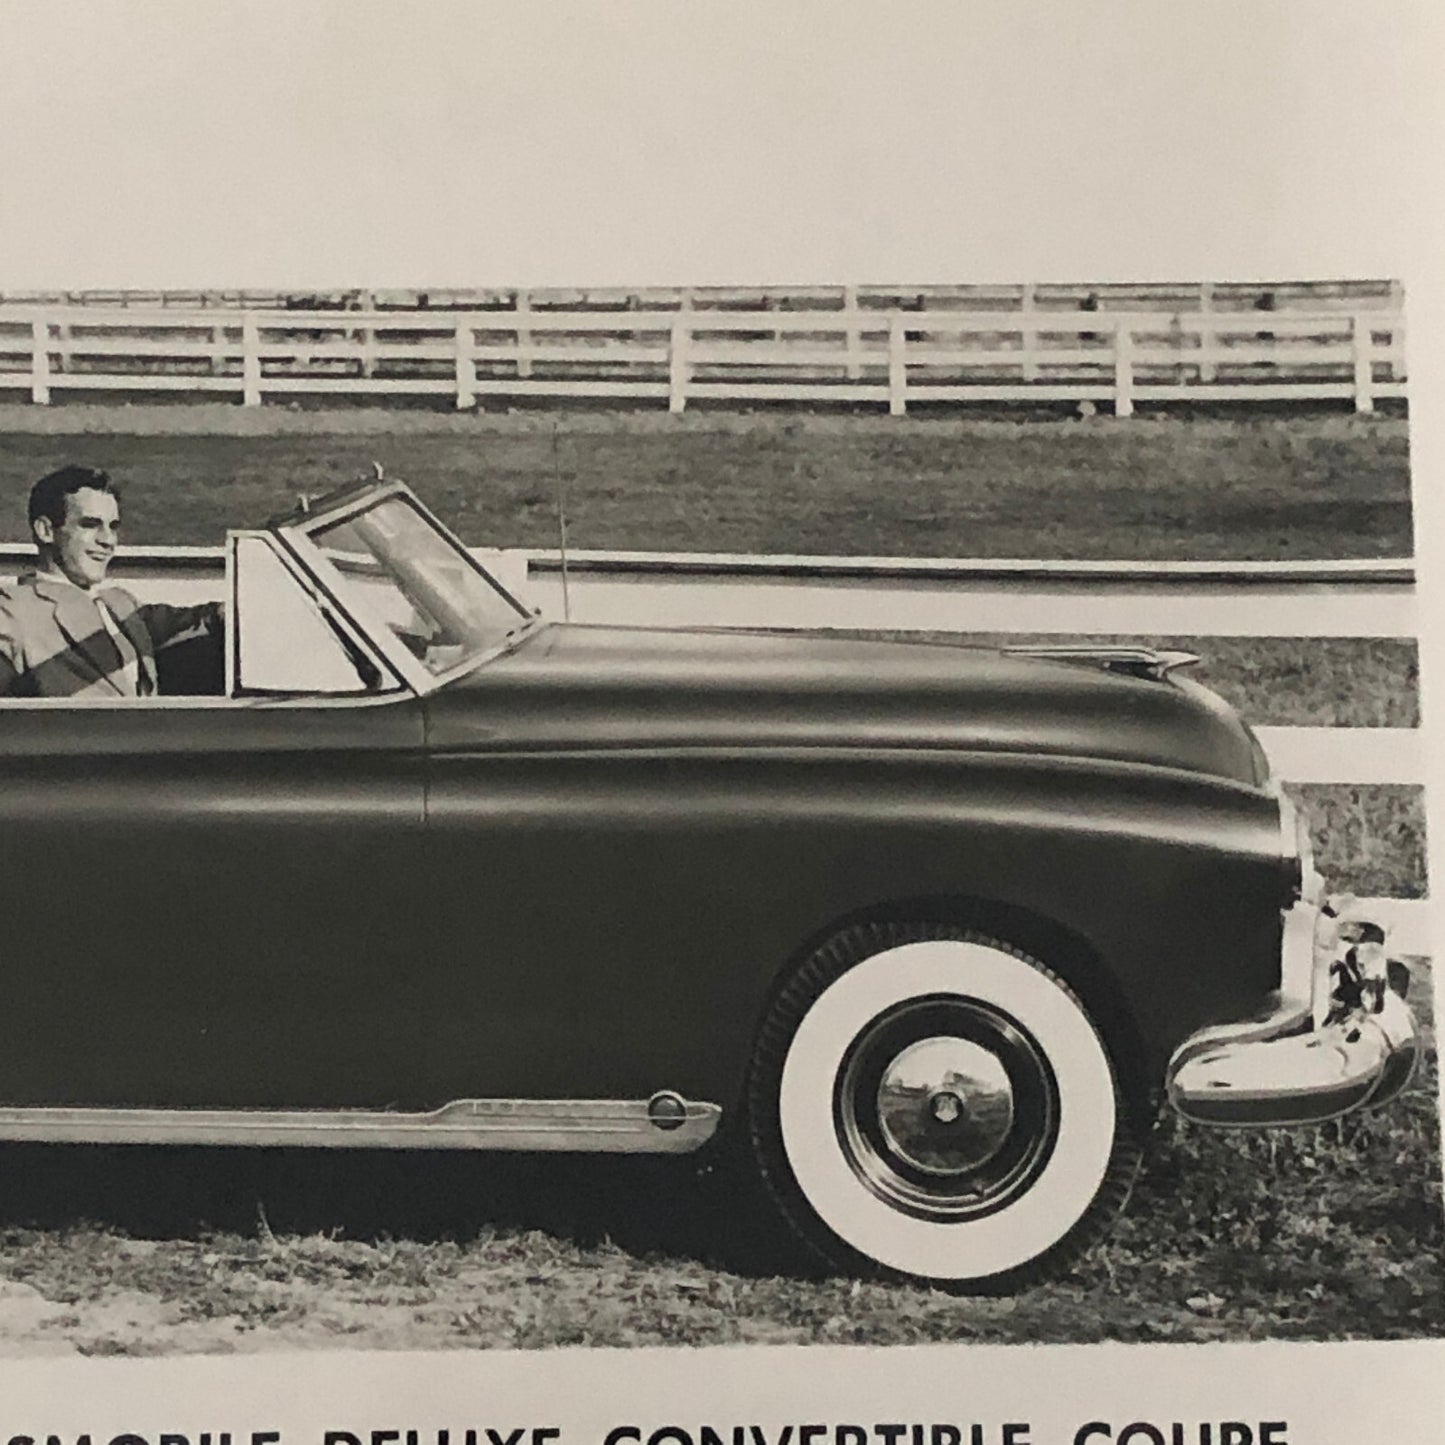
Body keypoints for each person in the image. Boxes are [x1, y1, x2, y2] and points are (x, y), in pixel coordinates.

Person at [0, 465, 223, 698]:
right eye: (90, 524)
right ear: (46, 531)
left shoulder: (121, 603)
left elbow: (192, 621)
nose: (108, 541)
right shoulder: (12, 610)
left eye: (113, 527)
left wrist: (232, 612)